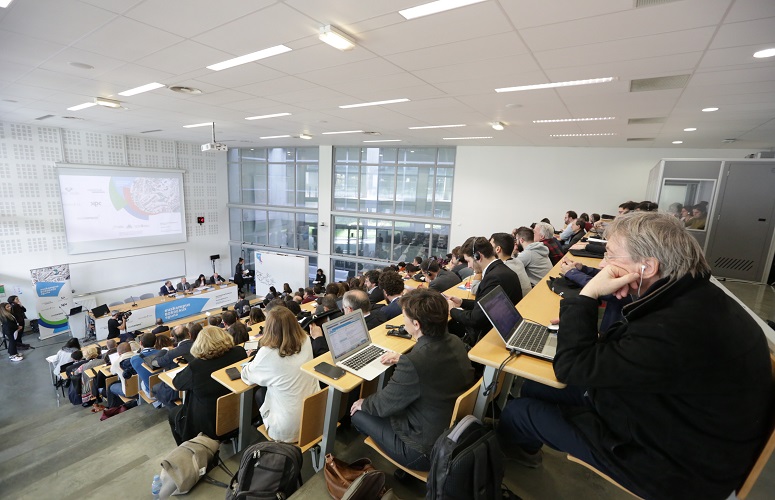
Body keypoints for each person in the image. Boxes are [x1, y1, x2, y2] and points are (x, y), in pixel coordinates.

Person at [497, 212, 772, 499]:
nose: (603, 265)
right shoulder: (695, 298)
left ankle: (514, 457)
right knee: (535, 387)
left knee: (519, 412)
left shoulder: (671, 330)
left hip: (673, 465)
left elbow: (570, 368)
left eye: (610, 255)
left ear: (648, 266)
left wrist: (588, 294)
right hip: (669, 418)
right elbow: (638, 353)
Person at [350, 288, 475, 472]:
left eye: (404, 317)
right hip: (449, 430)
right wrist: (404, 359)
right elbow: (430, 364)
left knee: (357, 414)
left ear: (416, 324)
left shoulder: (415, 362)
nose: (403, 321)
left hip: (421, 452)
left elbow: (384, 405)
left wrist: (364, 403)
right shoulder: (455, 341)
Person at [241, 307, 320, 442]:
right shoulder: (306, 340)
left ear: (269, 328)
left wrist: (253, 360)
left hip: (288, 429)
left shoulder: (267, 353)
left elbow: (246, 376)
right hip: (315, 416)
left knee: (260, 393)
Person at [168, 326, 247, 445]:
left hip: (209, 426)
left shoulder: (196, 367)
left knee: (173, 414)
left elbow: (177, 383)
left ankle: (188, 450)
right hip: (241, 413)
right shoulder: (240, 352)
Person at [447, 236, 523, 343]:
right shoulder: (501, 270)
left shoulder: (493, 278)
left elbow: (475, 319)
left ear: (478, 256)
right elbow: (487, 305)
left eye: (468, 261)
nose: (468, 266)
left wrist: (452, 310)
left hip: (490, 335)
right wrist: (462, 302)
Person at [485, 233, 531, 299]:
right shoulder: (517, 261)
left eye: (490, 246)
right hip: (527, 300)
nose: (488, 249)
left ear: (498, 249)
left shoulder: (503, 270)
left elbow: (479, 290)